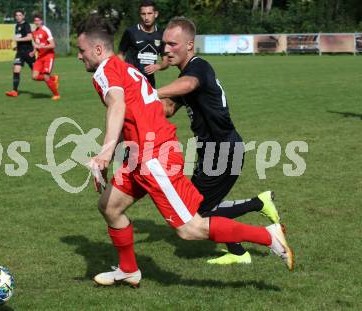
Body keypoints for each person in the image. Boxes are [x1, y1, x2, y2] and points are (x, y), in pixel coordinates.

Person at [76, 15, 294, 287]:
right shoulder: (124, 68)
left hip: (154, 155)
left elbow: (118, 106)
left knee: (191, 229)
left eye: (81, 50)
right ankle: (129, 270)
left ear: (98, 49)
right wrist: (112, 156)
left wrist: (105, 152)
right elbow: (134, 114)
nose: (78, 56)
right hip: (140, 155)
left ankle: (268, 236)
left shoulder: (107, 71)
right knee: (109, 206)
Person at [157, 17, 281, 265]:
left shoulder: (198, 67)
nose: (166, 49)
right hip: (214, 151)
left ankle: (257, 206)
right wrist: (135, 104)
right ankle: (239, 249)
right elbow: (169, 108)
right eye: (164, 44)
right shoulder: (186, 75)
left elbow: (188, 84)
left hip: (223, 150)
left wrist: (149, 92)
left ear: (189, 45)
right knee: (202, 208)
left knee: (196, 213)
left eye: (172, 44)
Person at [117, 0, 168, 88]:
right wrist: (126, 71)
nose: (146, 17)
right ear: (140, 15)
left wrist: (158, 66)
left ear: (155, 14)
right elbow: (120, 55)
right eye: (143, 14)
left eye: (149, 13)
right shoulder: (131, 32)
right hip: (130, 82)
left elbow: (166, 60)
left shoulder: (161, 34)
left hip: (149, 83)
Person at [5, 9, 35, 97]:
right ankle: (14, 91)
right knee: (16, 69)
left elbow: (29, 37)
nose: (18, 17)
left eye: (20, 15)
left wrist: (18, 40)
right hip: (20, 52)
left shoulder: (26, 25)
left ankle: (52, 79)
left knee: (36, 75)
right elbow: (21, 38)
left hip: (29, 52)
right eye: (16, 15)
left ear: (23, 16)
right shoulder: (17, 26)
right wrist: (17, 46)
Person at [31, 14, 60, 100]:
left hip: (48, 56)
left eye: (38, 20)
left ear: (41, 21)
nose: (37, 22)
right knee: (34, 77)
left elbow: (53, 45)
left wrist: (42, 47)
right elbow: (37, 45)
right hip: (40, 57)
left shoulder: (46, 30)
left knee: (46, 76)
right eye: (35, 21)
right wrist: (33, 51)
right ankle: (53, 78)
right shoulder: (34, 32)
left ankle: (56, 94)